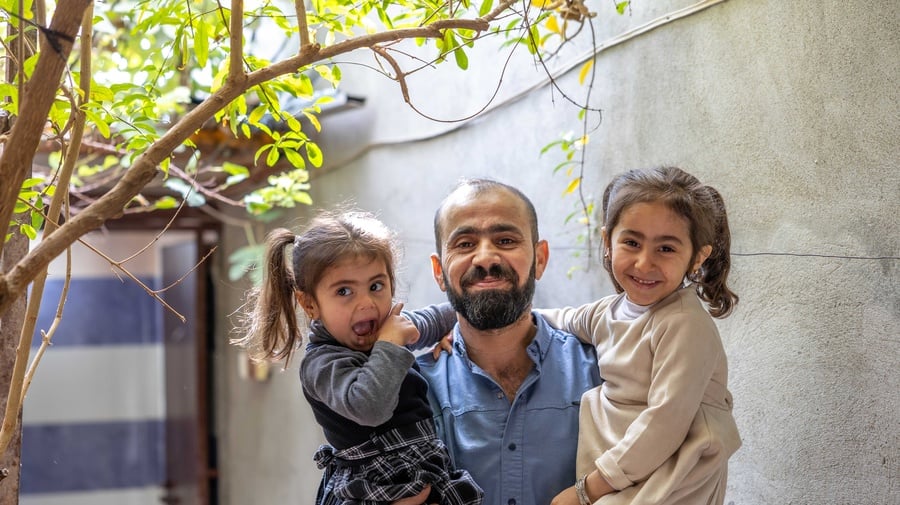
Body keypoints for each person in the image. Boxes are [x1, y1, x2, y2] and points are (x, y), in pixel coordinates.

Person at [234, 209, 483, 505]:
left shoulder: (388, 329)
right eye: (344, 291)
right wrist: (391, 344)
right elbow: (369, 407)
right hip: (371, 487)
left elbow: (438, 317)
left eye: (376, 286)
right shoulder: (322, 363)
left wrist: (458, 325)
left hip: (420, 472)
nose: (366, 303)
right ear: (310, 303)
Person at [541, 166, 742, 505]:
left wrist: (585, 492)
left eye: (666, 249)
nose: (644, 263)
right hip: (632, 467)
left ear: (697, 257)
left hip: (678, 472)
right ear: (607, 242)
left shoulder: (683, 324)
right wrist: (450, 326)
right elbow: (554, 319)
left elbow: (664, 423)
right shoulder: (609, 311)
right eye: (631, 243)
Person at [416, 179, 602, 505]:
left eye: (505, 240)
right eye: (464, 244)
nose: (485, 259)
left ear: (540, 258)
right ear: (438, 270)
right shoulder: (413, 391)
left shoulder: (602, 371)